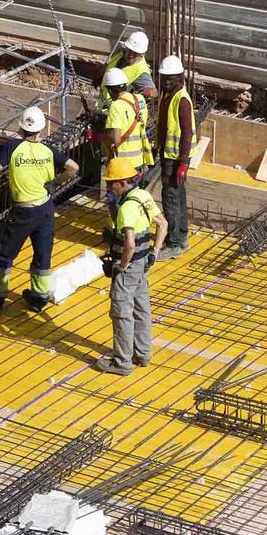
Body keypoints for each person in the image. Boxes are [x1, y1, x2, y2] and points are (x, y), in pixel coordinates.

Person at [0, 106, 79, 313]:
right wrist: (56, 182)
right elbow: (74, 167)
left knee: (5, 254)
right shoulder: (48, 150)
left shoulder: (12, 147)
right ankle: (39, 297)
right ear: (41, 129)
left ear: (21, 128)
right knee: (42, 253)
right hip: (46, 208)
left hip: (22, 211)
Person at [93, 156, 166, 376]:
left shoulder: (125, 208)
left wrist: (121, 266)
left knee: (122, 313)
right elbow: (163, 224)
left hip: (129, 267)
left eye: (111, 183)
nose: (108, 187)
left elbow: (130, 244)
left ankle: (122, 362)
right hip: (143, 265)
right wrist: (154, 253)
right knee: (142, 309)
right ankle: (142, 354)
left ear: (122, 182)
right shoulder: (143, 195)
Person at [153, 56, 194, 259]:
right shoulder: (168, 95)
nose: (166, 81)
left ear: (179, 77)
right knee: (176, 198)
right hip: (167, 155)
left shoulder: (182, 100)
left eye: (171, 78)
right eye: (164, 77)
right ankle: (181, 238)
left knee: (172, 200)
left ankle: (175, 243)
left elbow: (187, 132)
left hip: (175, 159)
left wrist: (184, 163)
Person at [99, 67, 151, 184]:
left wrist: (101, 137)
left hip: (123, 164)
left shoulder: (116, 106)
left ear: (111, 90)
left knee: (117, 198)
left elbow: (115, 139)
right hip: (139, 159)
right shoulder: (140, 100)